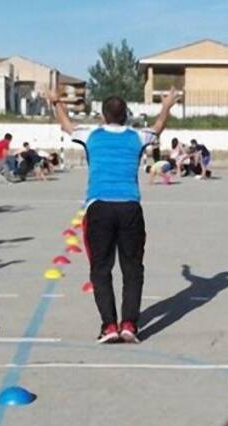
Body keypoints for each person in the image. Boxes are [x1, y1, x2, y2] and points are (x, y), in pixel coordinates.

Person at [52, 87, 177, 344]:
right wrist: (166, 106)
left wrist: (55, 101)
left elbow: (65, 124)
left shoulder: (91, 135)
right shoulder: (137, 136)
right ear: (127, 115)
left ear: (102, 115)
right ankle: (130, 324)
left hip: (99, 208)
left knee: (101, 268)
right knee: (132, 268)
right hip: (130, 207)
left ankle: (109, 326)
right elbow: (159, 127)